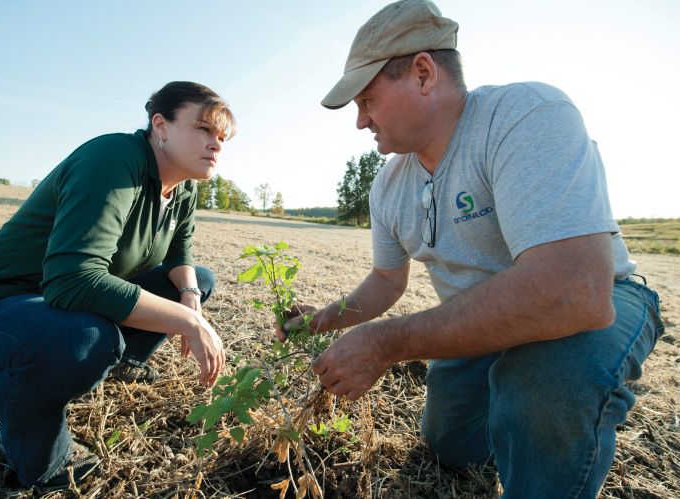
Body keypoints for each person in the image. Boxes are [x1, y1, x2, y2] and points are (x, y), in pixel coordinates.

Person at [283, 1, 665, 497]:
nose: (360, 121)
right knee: (450, 444)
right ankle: (509, 411)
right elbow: (385, 280)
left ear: (423, 73)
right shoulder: (388, 185)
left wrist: (386, 343)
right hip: (483, 321)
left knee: (542, 390)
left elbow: (574, 291)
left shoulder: (525, 117)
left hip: (601, 305)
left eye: (366, 100)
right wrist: (323, 320)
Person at [0, 81, 232, 491]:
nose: (216, 144)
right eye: (204, 129)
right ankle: (34, 447)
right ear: (161, 125)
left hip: (57, 303)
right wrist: (188, 321)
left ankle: (121, 364)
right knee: (87, 338)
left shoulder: (182, 189)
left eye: (222, 137)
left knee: (198, 281)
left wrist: (190, 300)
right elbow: (72, 281)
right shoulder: (114, 158)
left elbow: (179, 256)